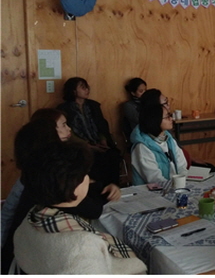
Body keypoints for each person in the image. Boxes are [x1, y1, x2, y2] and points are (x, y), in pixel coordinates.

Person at [1, 111, 122, 274]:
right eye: (63, 125)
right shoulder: (55, 192)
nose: (69, 129)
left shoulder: (35, 177)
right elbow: (92, 209)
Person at [12, 141, 147, 274]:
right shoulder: (82, 246)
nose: (89, 179)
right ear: (73, 186)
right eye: (85, 174)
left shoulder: (32, 216)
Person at [57, 77, 122, 185]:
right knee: (92, 158)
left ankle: (113, 188)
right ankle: (95, 189)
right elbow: (69, 133)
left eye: (87, 87)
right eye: (83, 87)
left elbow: (102, 125)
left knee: (112, 155)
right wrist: (88, 145)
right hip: (78, 145)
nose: (87, 90)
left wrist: (103, 141)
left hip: (97, 142)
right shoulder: (64, 108)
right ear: (73, 91)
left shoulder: (93, 106)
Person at [130, 104, 187, 185]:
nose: (171, 119)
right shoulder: (142, 147)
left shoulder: (169, 140)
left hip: (173, 187)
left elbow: (182, 166)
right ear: (155, 120)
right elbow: (154, 179)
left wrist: (183, 181)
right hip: (151, 193)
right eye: (167, 117)